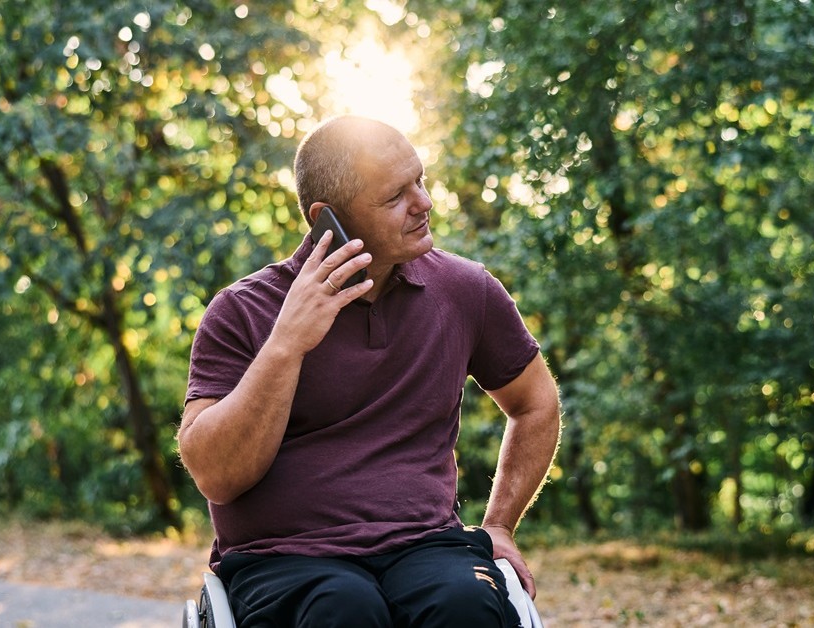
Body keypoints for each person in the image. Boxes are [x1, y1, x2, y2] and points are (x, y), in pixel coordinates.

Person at [178, 114, 561, 627]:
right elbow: (216, 476)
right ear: (326, 217)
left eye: (420, 181)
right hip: (285, 559)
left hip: (427, 547)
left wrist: (500, 526)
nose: (424, 203)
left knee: (464, 605)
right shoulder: (243, 310)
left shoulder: (465, 289)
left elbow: (536, 402)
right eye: (395, 196)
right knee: (345, 608)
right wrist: (286, 343)